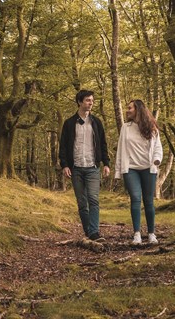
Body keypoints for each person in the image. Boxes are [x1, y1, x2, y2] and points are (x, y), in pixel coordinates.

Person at [60, 90, 111, 242]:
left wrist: (106, 163)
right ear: (80, 102)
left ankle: (94, 232)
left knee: (93, 199)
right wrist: (65, 165)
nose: (91, 103)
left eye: (92, 100)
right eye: (88, 100)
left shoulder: (96, 122)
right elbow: (63, 146)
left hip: (92, 167)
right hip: (75, 168)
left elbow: (103, 144)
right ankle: (88, 232)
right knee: (82, 203)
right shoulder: (69, 123)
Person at [115, 99, 163, 245]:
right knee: (135, 198)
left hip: (149, 168)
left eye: (130, 108)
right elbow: (120, 149)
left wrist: (156, 160)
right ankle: (137, 234)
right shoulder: (126, 127)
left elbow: (158, 148)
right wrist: (118, 171)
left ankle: (151, 233)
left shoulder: (152, 126)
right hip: (130, 168)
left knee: (148, 200)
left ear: (138, 110)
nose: (127, 110)